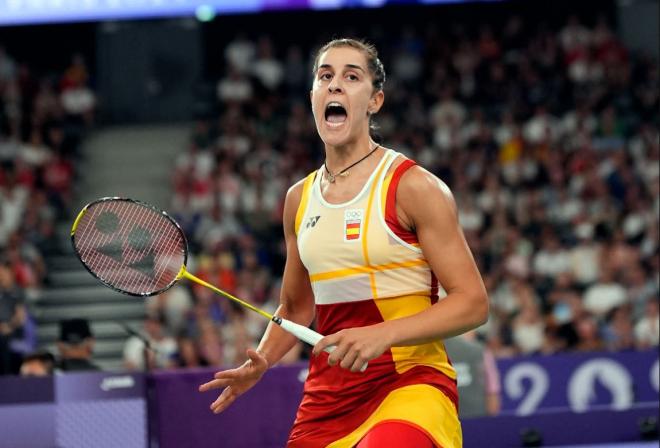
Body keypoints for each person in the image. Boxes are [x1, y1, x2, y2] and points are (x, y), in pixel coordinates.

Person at [199, 38, 488, 448]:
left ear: (375, 100)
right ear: (314, 97)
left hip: (409, 384)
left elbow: (473, 302)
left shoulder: (412, 186)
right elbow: (297, 307)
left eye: (351, 77)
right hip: (328, 399)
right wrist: (262, 361)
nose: (335, 85)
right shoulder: (298, 199)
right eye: (325, 76)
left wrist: (382, 335)